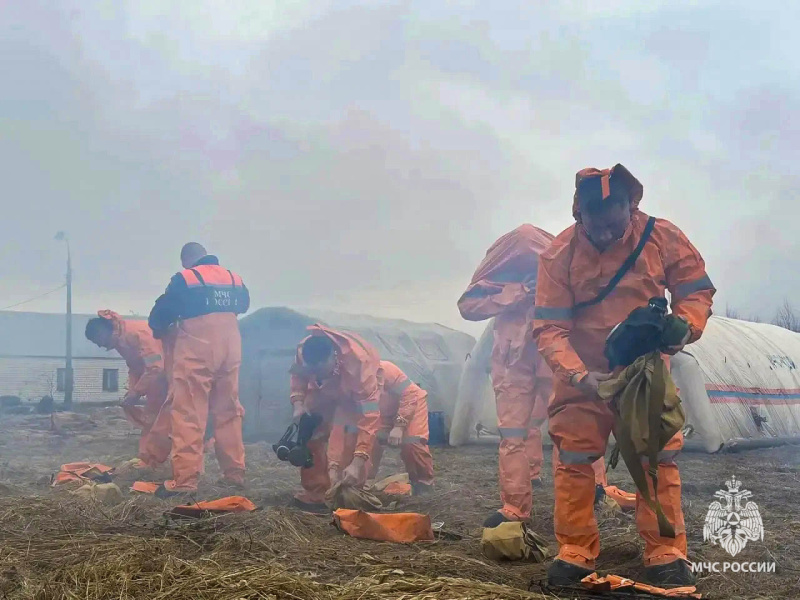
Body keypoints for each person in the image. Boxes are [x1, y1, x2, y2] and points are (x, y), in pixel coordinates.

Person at [533, 164, 715, 587]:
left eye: (614, 221)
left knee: (655, 458)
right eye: (594, 222)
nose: (604, 232)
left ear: (630, 208)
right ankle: (575, 550)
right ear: (580, 214)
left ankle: (665, 551)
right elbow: (549, 329)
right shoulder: (559, 255)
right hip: (582, 373)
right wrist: (580, 377)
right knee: (575, 460)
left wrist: (684, 326)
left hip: (643, 373)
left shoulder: (661, 236)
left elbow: (695, 290)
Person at [457, 224, 612, 528]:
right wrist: (515, 293)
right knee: (512, 434)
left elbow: (589, 299)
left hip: (551, 357)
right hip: (512, 362)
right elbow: (467, 306)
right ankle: (514, 507)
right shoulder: (497, 274)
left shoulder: (561, 266)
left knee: (571, 428)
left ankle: (590, 494)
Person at [148, 242, 250, 497]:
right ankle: (234, 474)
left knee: (189, 415)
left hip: (197, 352)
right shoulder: (234, 278)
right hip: (231, 350)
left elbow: (159, 316)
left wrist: (163, 328)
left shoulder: (186, 278)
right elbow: (244, 305)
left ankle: (185, 481)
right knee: (229, 412)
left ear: (186, 261)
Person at [288, 325, 382, 512]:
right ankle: (317, 492)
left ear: (334, 357)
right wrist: (298, 403)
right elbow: (298, 376)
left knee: (351, 434)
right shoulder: (304, 351)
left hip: (353, 391)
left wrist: (358, 462)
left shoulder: (360, 367)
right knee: (312, 431)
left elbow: (369, 418)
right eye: (313, 372)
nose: (316, 376)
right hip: (326, 389)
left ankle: (351, 492)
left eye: (320, 371)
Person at [327, 360, 435, 495]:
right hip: (379, 413)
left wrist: (399, 426)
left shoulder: (386, 370)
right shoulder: (343, 392)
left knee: (412, 443)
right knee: (364, 441)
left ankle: (423, 484)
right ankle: (363, 484)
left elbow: (410, 393)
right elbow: (338, 434)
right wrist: (333, 467)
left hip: (410, 406)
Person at [85, 310, 170, 469]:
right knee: (154, 420)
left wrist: (137, 392)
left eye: (97, 341)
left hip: (171, 378)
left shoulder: (137, 333)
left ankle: (154, 462)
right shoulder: (121, 340)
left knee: (163, 420)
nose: (99, 346)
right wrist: (132, 391)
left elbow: (156, 367)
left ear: (102, 332)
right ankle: (149, 461)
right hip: (158, 381)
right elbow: (135, 367)